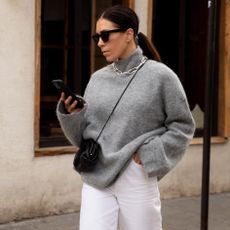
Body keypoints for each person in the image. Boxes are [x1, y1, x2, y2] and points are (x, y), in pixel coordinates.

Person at [56, 5, 195, 230]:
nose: (100, 42)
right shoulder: (98, 79)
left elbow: (183, 125)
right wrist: (72, 114)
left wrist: (150, 154)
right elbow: (83, 137)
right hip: (95, 174)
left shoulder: (161, 76)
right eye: (96, 37)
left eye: (105, 35)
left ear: (129, 34)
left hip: (135, 174)